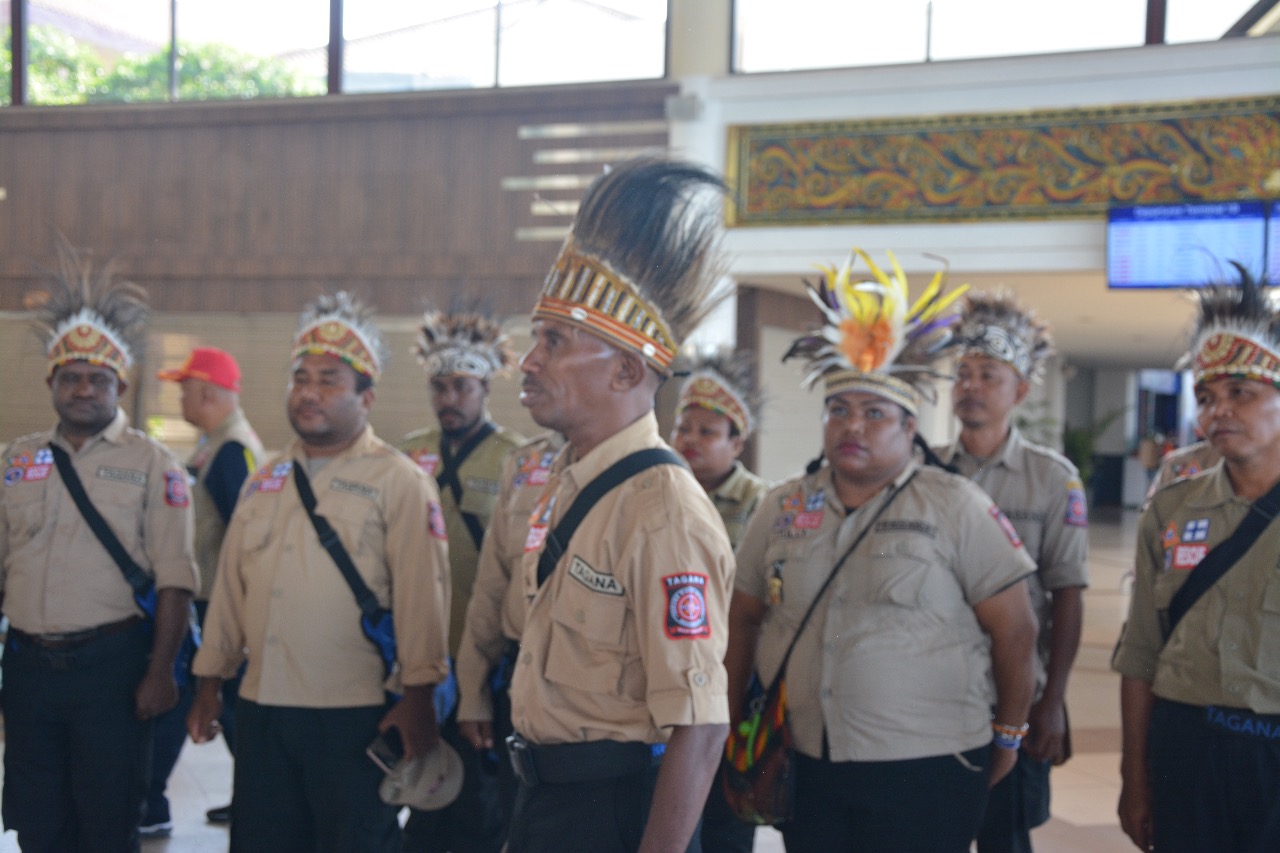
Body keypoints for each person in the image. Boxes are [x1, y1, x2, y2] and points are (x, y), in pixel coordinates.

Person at [725, 249, 1039, 853]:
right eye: (838, 410)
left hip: (928, 763)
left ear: (908, 427)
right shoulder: (783, 507)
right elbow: (743, 618)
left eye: (874, 413)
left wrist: (1008, 733)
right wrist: (731, 719)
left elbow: (1016, 630)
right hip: (806, 757)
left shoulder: (955, 505)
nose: (852, 426)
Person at [505, 158, 735, 853]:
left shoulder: (663, 512)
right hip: (547, 798)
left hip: (618, 811)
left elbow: (701, 723)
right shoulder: (565, 481)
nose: (527, 361)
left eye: (554, 341)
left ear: (628, 370)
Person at [187, 292, 451, 852]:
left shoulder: (399, 482)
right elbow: (231, 592)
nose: (309, 392)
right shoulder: (265, 480)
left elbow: (421, 596)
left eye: (330, 380)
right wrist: (209, 682)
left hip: (352, 714)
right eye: (301, 377)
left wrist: (421, 695)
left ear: (367, 397)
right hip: (262, 707)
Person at [0, 243, 198, 852]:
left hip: (112, 670)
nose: (83, 389)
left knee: (107, 820)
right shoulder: (16, 460)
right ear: (52, 383)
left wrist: (161, 672)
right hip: (29, 668)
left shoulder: (153, 463)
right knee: (37, 819)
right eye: (71, 377)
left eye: (97, 378)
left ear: (120, 383)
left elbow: (175, 580)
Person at [1112, 271, 1280, 853]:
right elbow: (1140, 650)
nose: (1218, 411)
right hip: (1184, 746)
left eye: (1242, 392)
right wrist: (1135, 775)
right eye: (1206, 397)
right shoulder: (1172, 510)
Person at [939, 290, 1089, 853]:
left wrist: (1051, 704)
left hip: (1016, 695)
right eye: (963, 374)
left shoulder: (1052, 479)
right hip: (935, 692)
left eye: (988, 375)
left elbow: (1067, 592)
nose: (971, 386)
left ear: (1020, 391)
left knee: (1006, 838)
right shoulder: (924, 468)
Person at [399, 307, 525, 853]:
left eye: (462, 386)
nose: (449, 399)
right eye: (440, 387)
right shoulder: (408, 455)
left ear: (485, 388)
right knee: (421, 780)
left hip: (484, 655)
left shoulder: (517, 460)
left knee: (478, 792)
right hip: (418, 649)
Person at [144, 346, 265, 833]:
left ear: (208, 392)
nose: (179, 399)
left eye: (183, 389)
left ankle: (248, 798)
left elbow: (242, 532)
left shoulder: (231, 450)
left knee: (226, 704)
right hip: (211, 600)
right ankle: (240, 798)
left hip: (219, 603)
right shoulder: (218, 444)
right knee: (210, 702)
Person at [670, 351, 769, 853]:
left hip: (731, 686)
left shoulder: (761, 504)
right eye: (683, 427)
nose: (689, 440)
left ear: (737, 442)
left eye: (706, 431)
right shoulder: (658, 491)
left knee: (726, 821)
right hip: (667, 683)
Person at [455, 430, 564, 842]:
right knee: (518, 821)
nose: (531, 365)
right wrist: (472, 692)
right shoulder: (522, 465)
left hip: (594, 685)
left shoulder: (644, 468)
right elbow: (490, 588)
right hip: (519, 676)